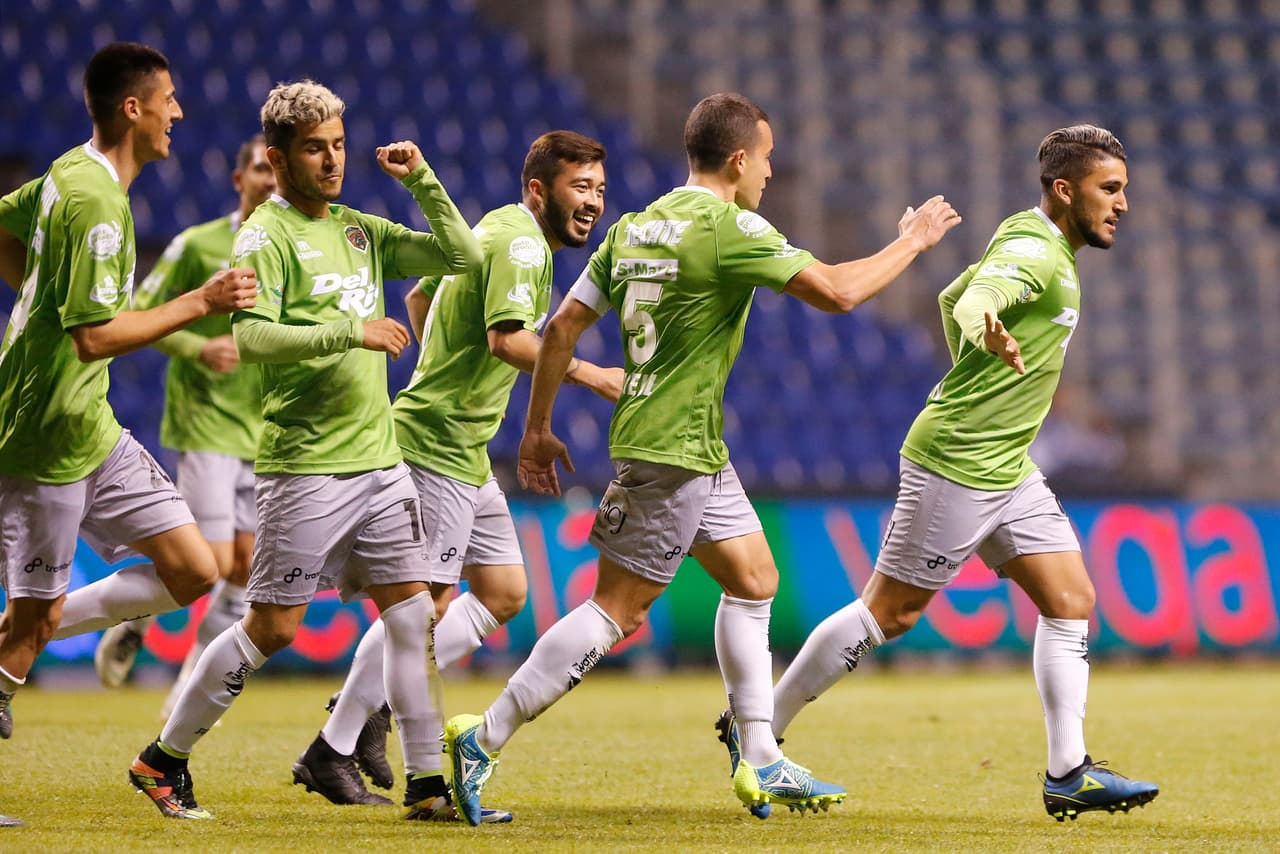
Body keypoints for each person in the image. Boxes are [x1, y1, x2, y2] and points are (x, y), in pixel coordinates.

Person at [442, 92, 961, 825]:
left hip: (686, 443)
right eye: (769, 159)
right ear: (741, 158)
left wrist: (538, 428)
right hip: (673, 449)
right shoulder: (729, 226)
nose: (772, 174)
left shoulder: (634, 224)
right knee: (615, 613)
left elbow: (560, 328)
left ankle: (761, 755)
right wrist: (913, 241)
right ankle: (484, 738)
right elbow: (841, 293)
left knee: (754, 579)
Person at [764, 125, 1159, 822]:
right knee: (889, 613)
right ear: (1065, 191)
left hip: (1007, 465)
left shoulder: (1030, 233)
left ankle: (1068, 771)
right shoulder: (1037, 252)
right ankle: (759, 728)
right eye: (1111, 188)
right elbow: (974, 304)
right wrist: (988, 332)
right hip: (959, 460)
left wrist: (976, 347)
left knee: (1071, 600)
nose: (1123, 203)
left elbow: (953, 294)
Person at [126, 79, 484, 822]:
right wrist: (351, 332)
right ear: (278, 158)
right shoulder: (265, 236)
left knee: (412, 618)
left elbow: (462, 256)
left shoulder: (358, 229)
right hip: (306, 467)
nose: (332, 161)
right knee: (273, 627)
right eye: (315, 149)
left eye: (339, 146)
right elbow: (252, 338)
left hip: (380, 465)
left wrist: (421, 179)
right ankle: (162, 759)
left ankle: (424, 786)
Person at [293, 131, 621, 816]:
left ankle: (364, 716)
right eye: (577, 187)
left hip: (464, 450)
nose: (591, 201)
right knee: (422, 610)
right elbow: (508, 339)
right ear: (538, 190)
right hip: (437, 447)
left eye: (597, 187)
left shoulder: (495, 230)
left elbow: (421, 300)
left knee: (501, 591)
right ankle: (338, 741)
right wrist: (590, 375)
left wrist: (446, 364)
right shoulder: (526, 245)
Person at [0, 41, 256, 747]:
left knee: (192, 568)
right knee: (34, 626)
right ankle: (26, 631)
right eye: (167, 99)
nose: (178, 112)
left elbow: (2, 224)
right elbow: (94, 338)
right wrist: (200, 302)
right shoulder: (96, 205)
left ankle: (32, 621)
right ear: (133, 108)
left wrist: (38, 295)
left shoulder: (68, 173)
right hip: (45, 434)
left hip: (92, 426)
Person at [94, 136, 276, 716]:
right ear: (238, 179)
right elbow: (139, 314)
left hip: (265, 429)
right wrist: (200, 349)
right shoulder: (198, 244)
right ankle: (136, 618)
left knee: (243, 571)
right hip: (207, 426)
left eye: (277, 170)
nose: (271, 181)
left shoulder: (294, 245)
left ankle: (180, 695)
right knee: (214, 563)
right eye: (259, 170)